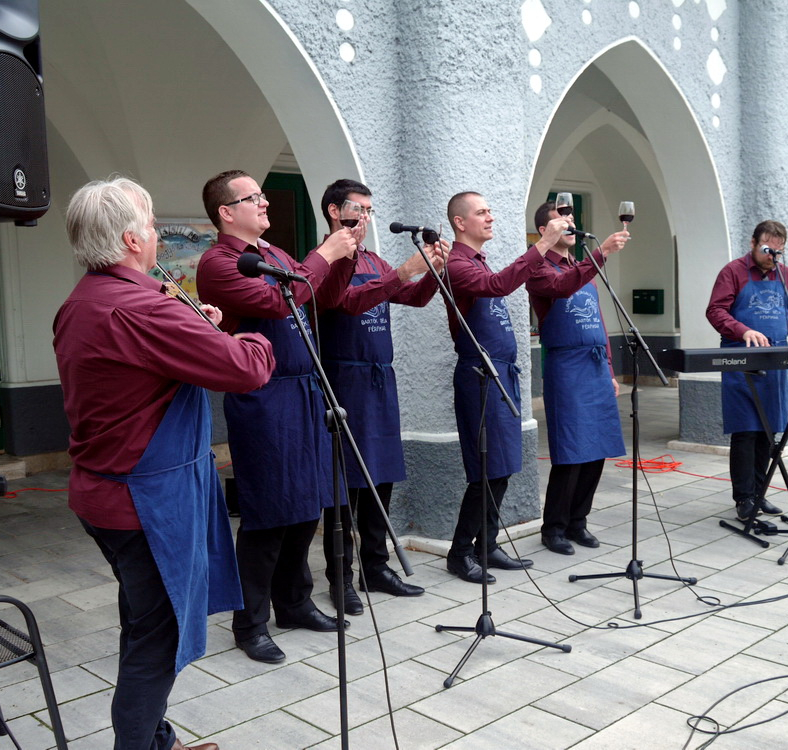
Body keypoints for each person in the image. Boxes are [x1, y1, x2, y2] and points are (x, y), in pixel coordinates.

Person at [53, 177, 275, 749]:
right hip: (143, 501)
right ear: (131, 240)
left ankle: (160, 739)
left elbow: (138, 369)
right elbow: (247, 368)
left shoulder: (82, 300)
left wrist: (191, 327)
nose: (155, 236)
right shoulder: (141, 308)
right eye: (151, 227)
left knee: (144, 619)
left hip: (103, 492)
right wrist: (253, 338)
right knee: (156, 640)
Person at [196, 170, 357, 664]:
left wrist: (344, 258)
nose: (265, 203)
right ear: (227, 212)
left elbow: (324, 298)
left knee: (307, 504)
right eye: (254, 198)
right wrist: (325, 253)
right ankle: (250, 623)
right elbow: (269, 301)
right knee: (269, 512)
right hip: (264, 395)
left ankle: (295, 602)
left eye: (264, 195)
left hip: (305, 390)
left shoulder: (279, 256)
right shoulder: (219, 262)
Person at [316, 178, 449, 614]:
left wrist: (432, 271)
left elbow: (410, 297)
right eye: (359, 208)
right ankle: (341, 577)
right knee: (345, 485)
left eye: (371, 209)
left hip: (379, 380)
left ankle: (376, 566)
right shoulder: (324, 261)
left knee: (380, 478)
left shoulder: (373, 258)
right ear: (335, 211)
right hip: (344, 379)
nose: (367, 217)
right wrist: (404, 271)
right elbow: (348, 302)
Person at [443, 191, 571, 583]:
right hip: (480, 376)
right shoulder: (457, 264)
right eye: (482, 212)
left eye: (491, 211)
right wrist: (544, 243)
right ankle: (460, 551)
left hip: (501, 376)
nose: (491, 217)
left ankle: (487, 543)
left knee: (501, 467)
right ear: (460, 222)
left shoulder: (478, 261)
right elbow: (498, 285)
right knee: (486, 468)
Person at [526, 201, 630, 555]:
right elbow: (562, 287)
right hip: (566, 367)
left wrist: (610, 369)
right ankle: (553, 527)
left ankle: (578, 520)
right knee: (571, 450)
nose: (570, 224)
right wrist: (600, 254)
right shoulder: (540, 269)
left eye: (571, 219)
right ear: (544, 231)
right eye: (561, 220)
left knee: (597, 447)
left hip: (595, 365)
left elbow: (598, 322)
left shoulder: (578, 266)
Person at [705, 220, 788, 522]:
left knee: (769, 433)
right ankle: (743, 497)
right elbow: (715, 311)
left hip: (775, 362)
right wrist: (742, 330)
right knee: (746, 431)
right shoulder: (732, 272)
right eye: (768, 249)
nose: (773, 256)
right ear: (753, 243)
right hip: (740, 362)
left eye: (778, 251)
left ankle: (760, 493)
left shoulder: (787, 276)